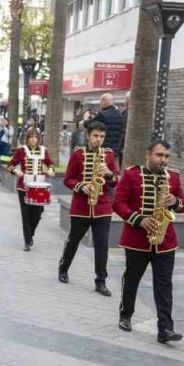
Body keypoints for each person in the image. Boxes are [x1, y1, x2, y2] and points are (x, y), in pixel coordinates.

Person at [113, 140, 184, 343]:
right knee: (132, 279)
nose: (162, 159)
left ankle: (165, 329)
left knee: (164, 284)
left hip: (164, 241)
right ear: (148, 154)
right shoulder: (131, 174)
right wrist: (139, 219)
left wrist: (176, 202)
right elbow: (118, 203)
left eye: (166, 156)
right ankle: (126, 315)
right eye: (159, 155)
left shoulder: (173, 177)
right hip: (137, 239)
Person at [60, 121, 119, 293]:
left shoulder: (108, 155)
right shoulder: (78, 154)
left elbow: (115, 180)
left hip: (102, 207)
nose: (98, 140)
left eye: (101, 136)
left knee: (102, 245)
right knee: (74, 240)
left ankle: (100, 281)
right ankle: (64, 268)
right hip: (81, 206)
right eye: (95, 136)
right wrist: (81, 187)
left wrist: (108, 173)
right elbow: (68, 179)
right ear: (88, 136)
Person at [6, 128, 55, 252]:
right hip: (24, 187)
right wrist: (16, 171)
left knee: (38, 213)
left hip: (40, 186)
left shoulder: (43, 150)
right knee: (26, 214)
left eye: (36, 137)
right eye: (31, 137)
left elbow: (51, 163)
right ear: (27, 138)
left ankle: (31, 232)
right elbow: (10, 165)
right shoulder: (21, 151)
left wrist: (50, 170)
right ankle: (27, 240)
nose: (34, 139)